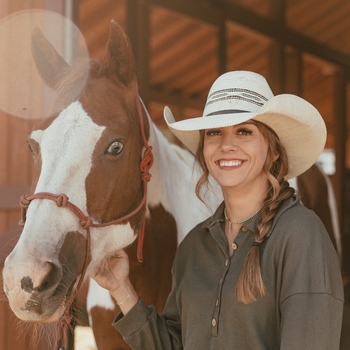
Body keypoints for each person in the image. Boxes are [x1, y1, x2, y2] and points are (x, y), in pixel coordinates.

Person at [91, 70, 344, 349]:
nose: (226, 145)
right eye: (214, 132)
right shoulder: (193, 247)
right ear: (204, 150)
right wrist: (120, 287)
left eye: (244, 131)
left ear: (273, 151)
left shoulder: (301, 236)